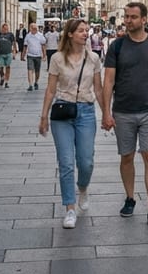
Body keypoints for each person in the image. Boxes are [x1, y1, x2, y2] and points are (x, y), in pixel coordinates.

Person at [101, 2, 148, 226]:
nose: (127, 20)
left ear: (144, 20)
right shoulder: (117, 46)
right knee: (127, 156)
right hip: (123, 110)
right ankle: (130, 198)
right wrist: (106, 111)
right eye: (126, 16)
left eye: (132, 17)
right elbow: (109, 80)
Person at [39, 18, 103, 229]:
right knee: (66, 163)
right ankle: (70, 208)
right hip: (62, 112)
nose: (86, 34)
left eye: (87, 31)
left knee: (86, 161)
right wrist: (43, 117)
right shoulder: (57, 58)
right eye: (81, 31)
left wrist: (107, 115)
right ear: (70, 34)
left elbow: (99, 89)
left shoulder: (93, 58)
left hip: (86, 111)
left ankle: (82, 187)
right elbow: (50, 89)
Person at [21, 22, 47, 92]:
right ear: (30, 29)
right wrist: (22, 55)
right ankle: (30, 85)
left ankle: (36, 82)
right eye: (33, 28)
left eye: (36, 28)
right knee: (30, 69)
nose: (35, 29)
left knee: (37, 71)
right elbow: (25, 46)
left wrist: (44, 55)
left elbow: (43, 45)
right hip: (30, 55)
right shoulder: (28, 36)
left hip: (38, 55)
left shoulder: (40, 36)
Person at [0, 23, 17, 88]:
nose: (5, 30)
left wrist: (14, 51)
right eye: (4, 29)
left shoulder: (10, 35)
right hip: (0, 53)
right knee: (0, 67)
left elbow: (13, 43)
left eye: (7, 29)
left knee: (8, 67)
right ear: (2, 28)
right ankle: (2, 76)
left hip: (8, 53)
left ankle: (6, 82)